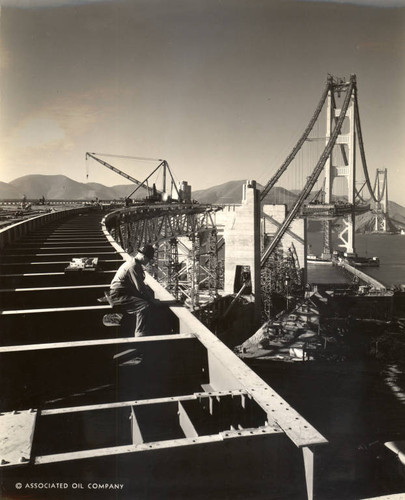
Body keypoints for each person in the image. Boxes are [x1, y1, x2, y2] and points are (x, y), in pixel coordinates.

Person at [108, 244, 157, 336]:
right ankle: (140, 335)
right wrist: (151, 299)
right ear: (143, 256)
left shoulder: (133, 263)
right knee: (144, 306)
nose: (148, 262)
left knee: (146, 300)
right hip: (119, 295)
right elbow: (140, 289)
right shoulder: (134, 266)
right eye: (148, 259)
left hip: (121, 293)